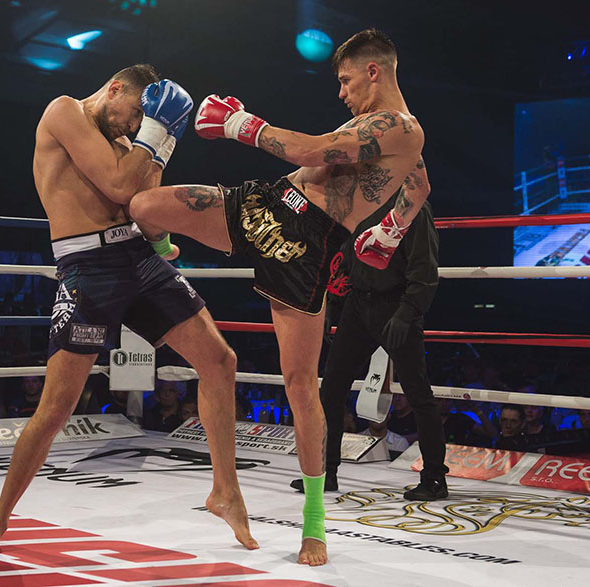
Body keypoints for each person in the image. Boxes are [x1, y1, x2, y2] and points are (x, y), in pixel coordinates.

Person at [129, 28, 429, 566]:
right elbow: (419, 185)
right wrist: (388, 231)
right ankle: (164, 256)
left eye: (346, 80)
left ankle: (313, 524)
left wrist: (240, 124)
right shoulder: (384, 133)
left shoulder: (400, 127)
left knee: (299, 385)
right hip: (269, 202)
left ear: (373, 71)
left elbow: (313, 149)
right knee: (144, 207)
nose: (341, 92)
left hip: (305, 249)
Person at [0, 65, 257, 559]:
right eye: (136, 113)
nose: (134, 125)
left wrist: (164, 142)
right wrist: (155, 133)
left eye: (145, 119)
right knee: (57, 407)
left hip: (139, 259)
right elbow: (120, 187)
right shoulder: (64, 112)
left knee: (220, 361)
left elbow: (144, 200)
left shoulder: (125, 142)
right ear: (115, 89)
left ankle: (225, 491)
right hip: (88, 267)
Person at [295, 195, 445, 500]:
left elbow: (425, 266)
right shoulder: (358, 199)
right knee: (332, 388)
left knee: (418, 393)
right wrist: (331, 304)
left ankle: (434, 479)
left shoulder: (411, 203)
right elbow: (345, 254)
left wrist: (407, 312)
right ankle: (325, 472)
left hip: (396, 303)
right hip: (357, 305)